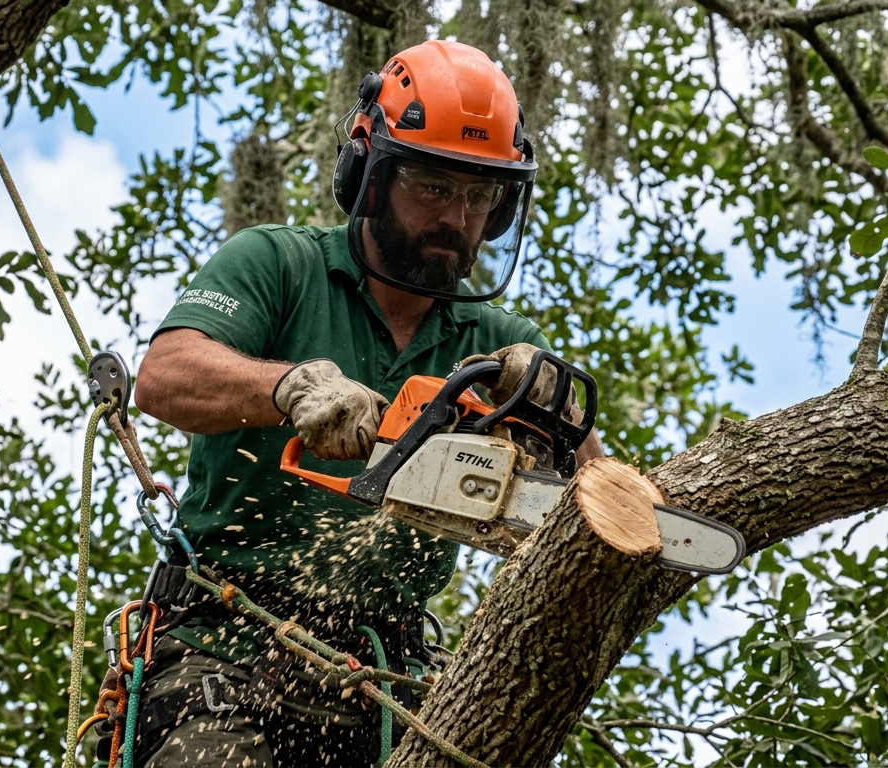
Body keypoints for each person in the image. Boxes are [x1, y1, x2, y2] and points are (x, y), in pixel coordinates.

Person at [127, 39, 603, 767]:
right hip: (224, 648)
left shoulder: (495, 341)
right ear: (369, 174)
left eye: (480, 196)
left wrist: (552, 416)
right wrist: (288, 387)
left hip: (386, 681)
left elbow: (599, 498)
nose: (457, 217)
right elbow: (165, 375)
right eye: (433, 187)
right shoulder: (278, 263)